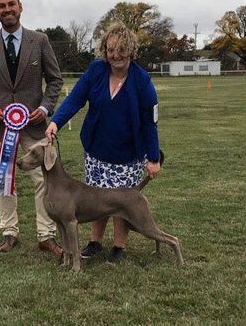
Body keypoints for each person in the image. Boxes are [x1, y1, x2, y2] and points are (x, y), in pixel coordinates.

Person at [45, 22, 161, 263]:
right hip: (96, 151)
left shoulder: (142, 81)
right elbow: (75, 98)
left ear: (131, 51)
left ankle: (119, 247)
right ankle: (95, 242)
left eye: (120, 50)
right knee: (95, 200)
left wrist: (153, 158)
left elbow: (150, 122)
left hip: (127, 154)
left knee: (121, 204)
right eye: (110, 50)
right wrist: (56, 121)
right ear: (104, 51)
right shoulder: (97, 71)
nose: (115, 55)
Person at [0, 0, 63, 257]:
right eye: (2, 6)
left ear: (20, 7)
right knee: (4, 181)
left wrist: (45, 108)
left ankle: (46, 235)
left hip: (35, 127)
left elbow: (55, 80)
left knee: (44, 180)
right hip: (0, 129)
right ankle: (9, 232)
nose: (7, 10)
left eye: (11, 4)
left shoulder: (40, 40)